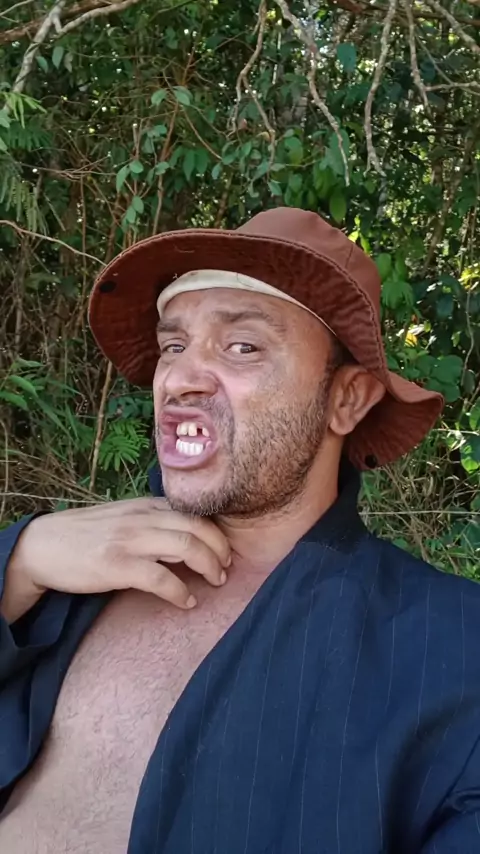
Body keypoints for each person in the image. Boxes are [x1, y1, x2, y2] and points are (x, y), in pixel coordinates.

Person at [0, 207, 479, 854]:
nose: (179, 380)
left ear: (347, 399)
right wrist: (17, 563)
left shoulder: (453, 651)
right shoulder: (60, 572)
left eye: (242, 347)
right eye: (174, 346)